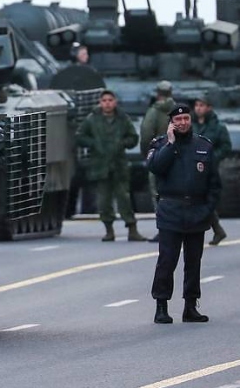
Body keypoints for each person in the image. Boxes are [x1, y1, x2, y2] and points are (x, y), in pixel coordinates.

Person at [148, 104, 221, 324]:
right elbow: (155, 167)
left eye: (186, 119)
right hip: (171, 210)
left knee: (193, 262)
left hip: (196, 211)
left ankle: (190, 306)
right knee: (167, 261)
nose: (182, 123)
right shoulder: (160, 144)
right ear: (171, 123)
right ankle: (161, 305)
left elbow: (214, 183)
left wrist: (207, 209)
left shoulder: (204, 146)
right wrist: (170, 144)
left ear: (191, 120)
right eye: (178, 120)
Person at [76, 90, 146, 241]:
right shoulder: (92, 119)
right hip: (100, 165)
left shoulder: (122, 119)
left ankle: (132, 228)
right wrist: (94, 144)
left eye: (110, 100)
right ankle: (109, 229)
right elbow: (80, 136)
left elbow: (133, 137)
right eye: (104, 100)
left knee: (124, 198)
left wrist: (122, 143)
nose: (107, 103)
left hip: (119, 164)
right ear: (100, 103)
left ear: (115, 102)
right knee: (103, 201)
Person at [192, 94, 232, 245]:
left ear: (209, 108)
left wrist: (213, 157)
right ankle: (218, 230)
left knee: (203, 199)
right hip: (192, 167)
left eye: (201, 105)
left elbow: (226, 147)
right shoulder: (191, 125)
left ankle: (216, 230)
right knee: (198, 199)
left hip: (209, 168)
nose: (198, 108)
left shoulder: (218, 127)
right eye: (196, 105)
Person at [140, 80, 176, 243]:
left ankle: (164, 229)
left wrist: (147, 154)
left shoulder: (154, 111)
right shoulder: (178, 110)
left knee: (158, 193)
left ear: (158, 94)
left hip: (159, 155)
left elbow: (146, 134)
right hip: (177, 156)